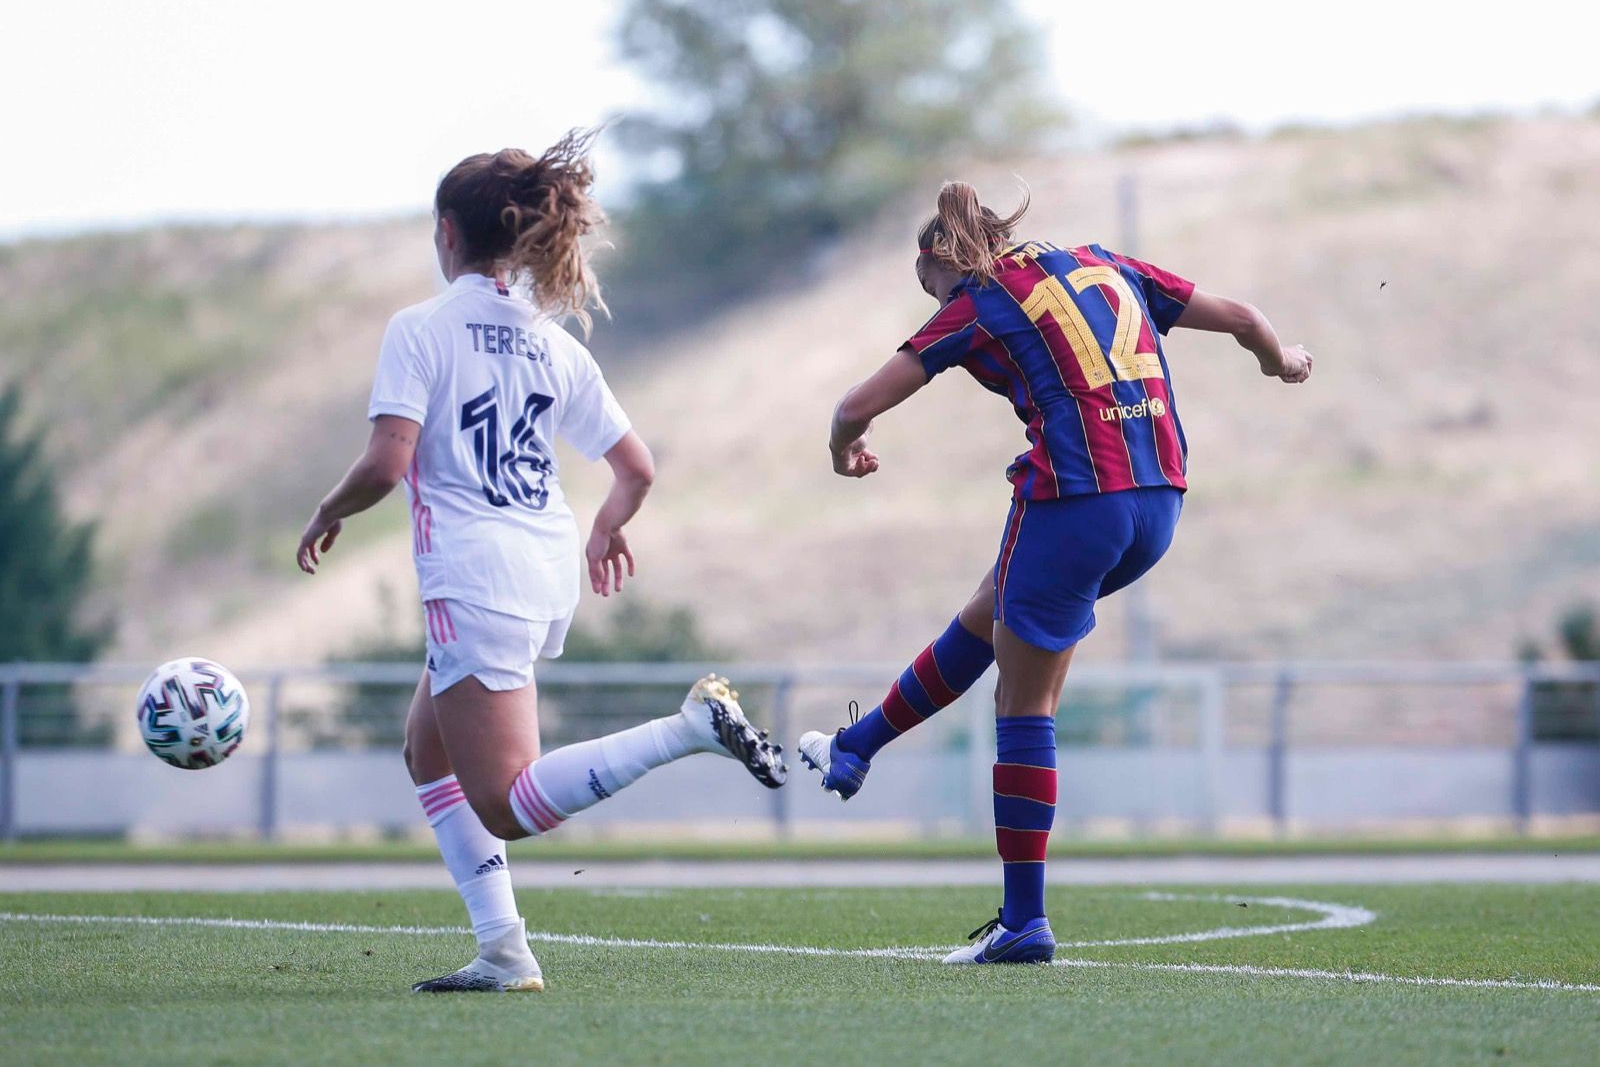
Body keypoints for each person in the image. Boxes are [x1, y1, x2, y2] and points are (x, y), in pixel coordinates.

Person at [295, 129, 786, 994]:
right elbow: (636, 468)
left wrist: (328, 510)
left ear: (448, 231)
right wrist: (606, 528)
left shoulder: (420, 329)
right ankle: (503, 949)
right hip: (544, 564)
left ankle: (688, 729)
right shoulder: (554, 342)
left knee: (509, 804)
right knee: (427, 753)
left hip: (475, 577)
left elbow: (386, 464)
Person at [798, 181, 1311, 964]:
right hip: (1159, 505)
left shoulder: (976, 299)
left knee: (1023, 697)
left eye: (927, 286)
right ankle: (856, 746)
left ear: (943, 261)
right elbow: (1244, 319)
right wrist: (1283, 362)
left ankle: (1023, 923)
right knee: (993, 609)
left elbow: (854, 405)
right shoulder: (1101, 262)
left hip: (1076, 500)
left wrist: (842, 452)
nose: (932, 299)